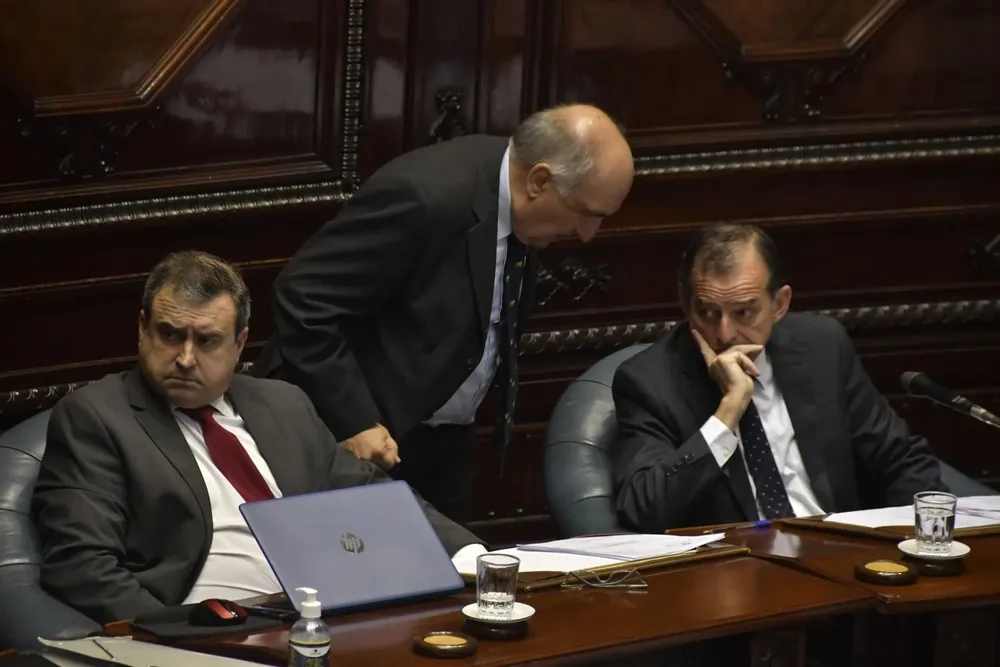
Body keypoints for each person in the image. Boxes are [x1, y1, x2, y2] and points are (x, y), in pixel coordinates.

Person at [32, 251, 486, 624]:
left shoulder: (283, 404)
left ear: (240, 343)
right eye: (169, 335)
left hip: (328, 614)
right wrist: (177, 634)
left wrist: (468, 553)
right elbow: (81, 566)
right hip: (213, 628)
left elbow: (371, 496)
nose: (185, 358)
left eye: (206, 341)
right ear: (142, 329)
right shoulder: (97, 417)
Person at [253, 104, 635, 522]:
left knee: (451, 576)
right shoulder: (423, 198)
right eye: (587, 214)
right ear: (539, 180)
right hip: (348, 440)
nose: (587, 235)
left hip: (441, 439)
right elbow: (304, 298)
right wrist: (355, 420)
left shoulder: (526, 208)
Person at [612, 222, 946, 533]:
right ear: (685, 305)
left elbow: (900, 459)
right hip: (734, 572)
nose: (725, 333)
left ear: (780, 304)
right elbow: (644, 508)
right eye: (708, 313)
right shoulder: (649, 381)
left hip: (840, 549)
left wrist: (929, 537)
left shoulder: (822, 346)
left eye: (744, 312)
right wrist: (727, 413)